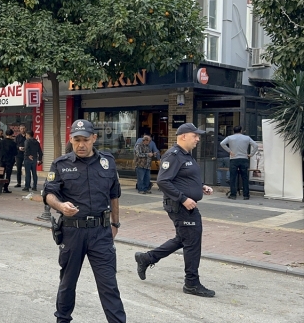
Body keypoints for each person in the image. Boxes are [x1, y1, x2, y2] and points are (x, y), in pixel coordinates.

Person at [44, 119, 125, 323]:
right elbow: (48, 194)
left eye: (85, 140)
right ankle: (63, 319)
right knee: (68, 283)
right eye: (76, 140)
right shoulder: (61, 164)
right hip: (73, 232)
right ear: (70, 139)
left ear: (94, 139)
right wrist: (61, 206)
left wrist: (115, 223)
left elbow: (114, 194)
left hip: (101, 232)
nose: (80, 144)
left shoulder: (107, 162)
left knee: (109, 285)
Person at [134, 123, 216, 298]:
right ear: (183, 136)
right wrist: (184, 198)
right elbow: (163, 181)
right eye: (195, 136)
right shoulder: (173, 155)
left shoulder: (186, 155)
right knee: (192, 243)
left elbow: (183, 178)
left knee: (184, 239)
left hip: (186, 205)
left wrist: (201, 187)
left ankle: (147, 258)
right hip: (180, 206)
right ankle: (191, 283)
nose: (198, 139)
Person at [220, 126, 258, 200]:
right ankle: (246, 195)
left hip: (233, 159)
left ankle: (233, 194)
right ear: (241, 130)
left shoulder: (229, 138)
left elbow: (222, 143)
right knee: (245, 177)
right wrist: (251, 154)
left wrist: (229, 151)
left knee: (233, 177)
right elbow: (255, 145)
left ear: (233, 131)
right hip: (244, 159)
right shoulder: (247, 138)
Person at [0, 129, 17, 193]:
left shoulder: (1, 142)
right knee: (8, 175)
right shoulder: (13, 143)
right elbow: (15, 153)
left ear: (5, 134)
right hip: (10, 161)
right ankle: (5, 188)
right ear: (12, 135)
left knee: (1, 174)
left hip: (2, 160)